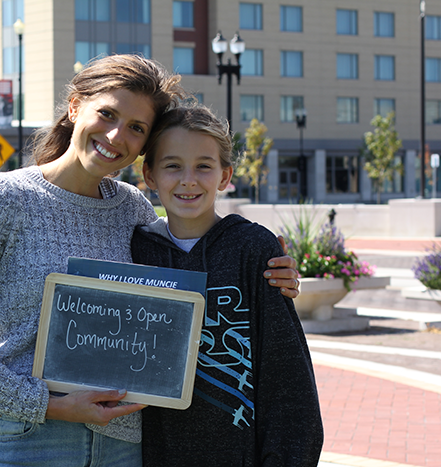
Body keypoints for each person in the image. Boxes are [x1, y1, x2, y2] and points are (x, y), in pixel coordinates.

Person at [0, 55, 300, 467]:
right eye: (107, 114)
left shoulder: (133, 209)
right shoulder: (2, 199)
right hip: (31, 436)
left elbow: (189, 268)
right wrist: (49, 404)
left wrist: (270, 267)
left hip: (126, 442)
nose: (117, 135)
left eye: (136, 128)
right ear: (74, 107)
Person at [131, 104, 323, 466]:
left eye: (204, 165)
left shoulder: (252, 249)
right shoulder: (133, 251)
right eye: (172, 165)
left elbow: (288, 380)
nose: (189, 179)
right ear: (149, 175)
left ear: (224, 175)